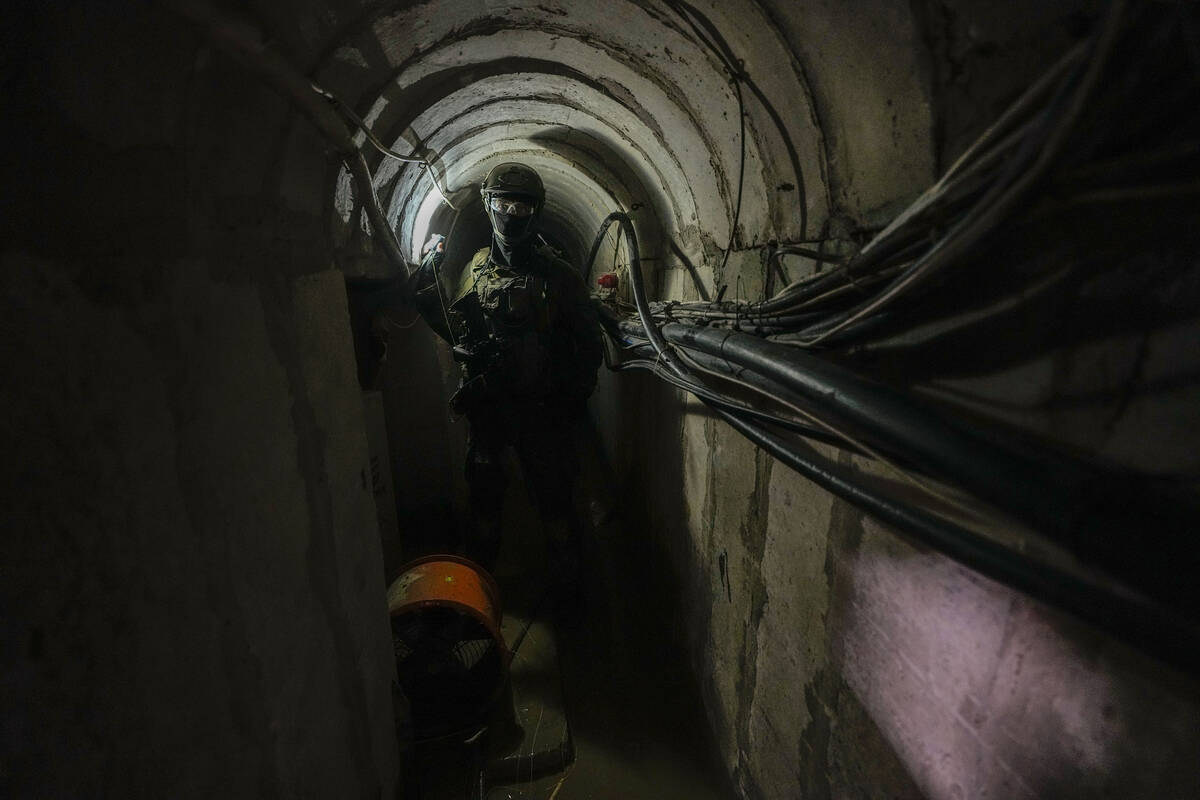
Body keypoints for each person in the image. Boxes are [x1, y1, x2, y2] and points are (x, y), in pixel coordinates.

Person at [409, 162, 603, 593]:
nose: (512, 213)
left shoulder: (560, 277)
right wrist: (429, 285)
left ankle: (570, 594)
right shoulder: (477, 267)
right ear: (488, 204)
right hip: (490, 411)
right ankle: (477, 592)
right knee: (484, 504)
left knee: (555, 507)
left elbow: (589, 347)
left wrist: (567, 403)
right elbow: (458, 325)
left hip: (542, 412)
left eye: (522, 204)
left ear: (536, 210)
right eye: (503, 202)